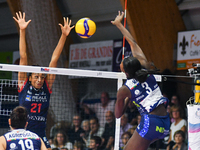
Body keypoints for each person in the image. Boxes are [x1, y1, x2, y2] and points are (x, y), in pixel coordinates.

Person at [13, 11, 74, 150]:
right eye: (36, 77)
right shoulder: (23, 85)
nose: (40, 79)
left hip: (40, 136)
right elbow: (23, 56)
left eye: (41, 77)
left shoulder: (46, 86)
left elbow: (54, 60)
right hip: (24, 135)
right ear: (30, 77)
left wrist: (64, 36)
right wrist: (22, 31)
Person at [112, 11, 170, 150]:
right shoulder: (145, 68)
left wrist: (127, 99)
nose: (122, 60)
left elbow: (118, 114)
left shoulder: (124, 90)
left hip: (151, 122)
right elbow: (133, 43)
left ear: (125, 72)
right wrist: (119, 24)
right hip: (165, 123)